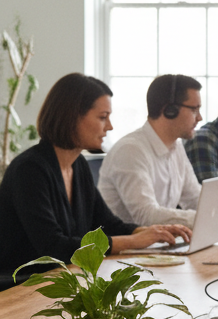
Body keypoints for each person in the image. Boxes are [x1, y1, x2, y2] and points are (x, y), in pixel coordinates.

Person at [0, 74, 191, 284]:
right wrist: (133, 241)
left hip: (63, 280)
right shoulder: (29, 170)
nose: (109, 126)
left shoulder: (78, 164)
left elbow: (107, 224)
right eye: (102, 117)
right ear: (72, 117)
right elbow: (54, 247)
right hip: (22, 287)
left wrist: (151, 232)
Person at [97, 74, 218, 227]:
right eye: (194, 109)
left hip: (158, 240)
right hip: (122, 241)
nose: (199, 117)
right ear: (169, 110)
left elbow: (193, 197)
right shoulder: (130, 151)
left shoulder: (176, 147)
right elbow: (146, 216)